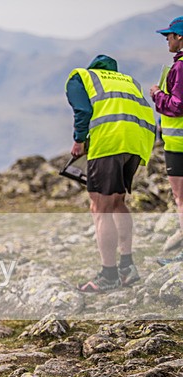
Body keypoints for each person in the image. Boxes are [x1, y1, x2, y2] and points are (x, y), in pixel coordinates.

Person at [65, 55, 156, 292]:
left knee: (100, 207)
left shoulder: (81, 77)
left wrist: (79, 140)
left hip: (108, 144)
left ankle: (109, 274)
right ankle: (127, 267)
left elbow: (83, 110)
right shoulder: (128, 81)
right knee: (118, 202)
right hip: (135, 144)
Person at [151, 16, 183, 266]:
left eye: (169, 36)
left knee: (181, 198)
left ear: (179, 37)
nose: (167, 41)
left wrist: (157, 95)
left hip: (179, 146)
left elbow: (177, 105)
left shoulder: (180, 67)